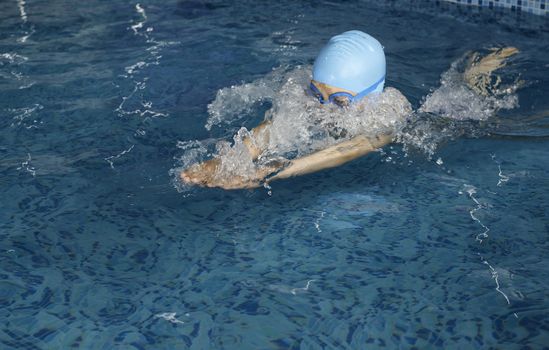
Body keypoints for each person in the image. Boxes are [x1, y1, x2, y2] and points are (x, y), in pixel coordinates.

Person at [180, 31, 518, 190]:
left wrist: (269, 172)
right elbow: (274, 127)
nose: (322, 108)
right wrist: (225, 161)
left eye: (339, 101)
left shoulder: (386, 113)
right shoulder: (312, 94)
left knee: (471, 94)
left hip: (455, 116)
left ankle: (489, 63)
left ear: (369, 94)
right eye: (317, 93)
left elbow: (350, 149)